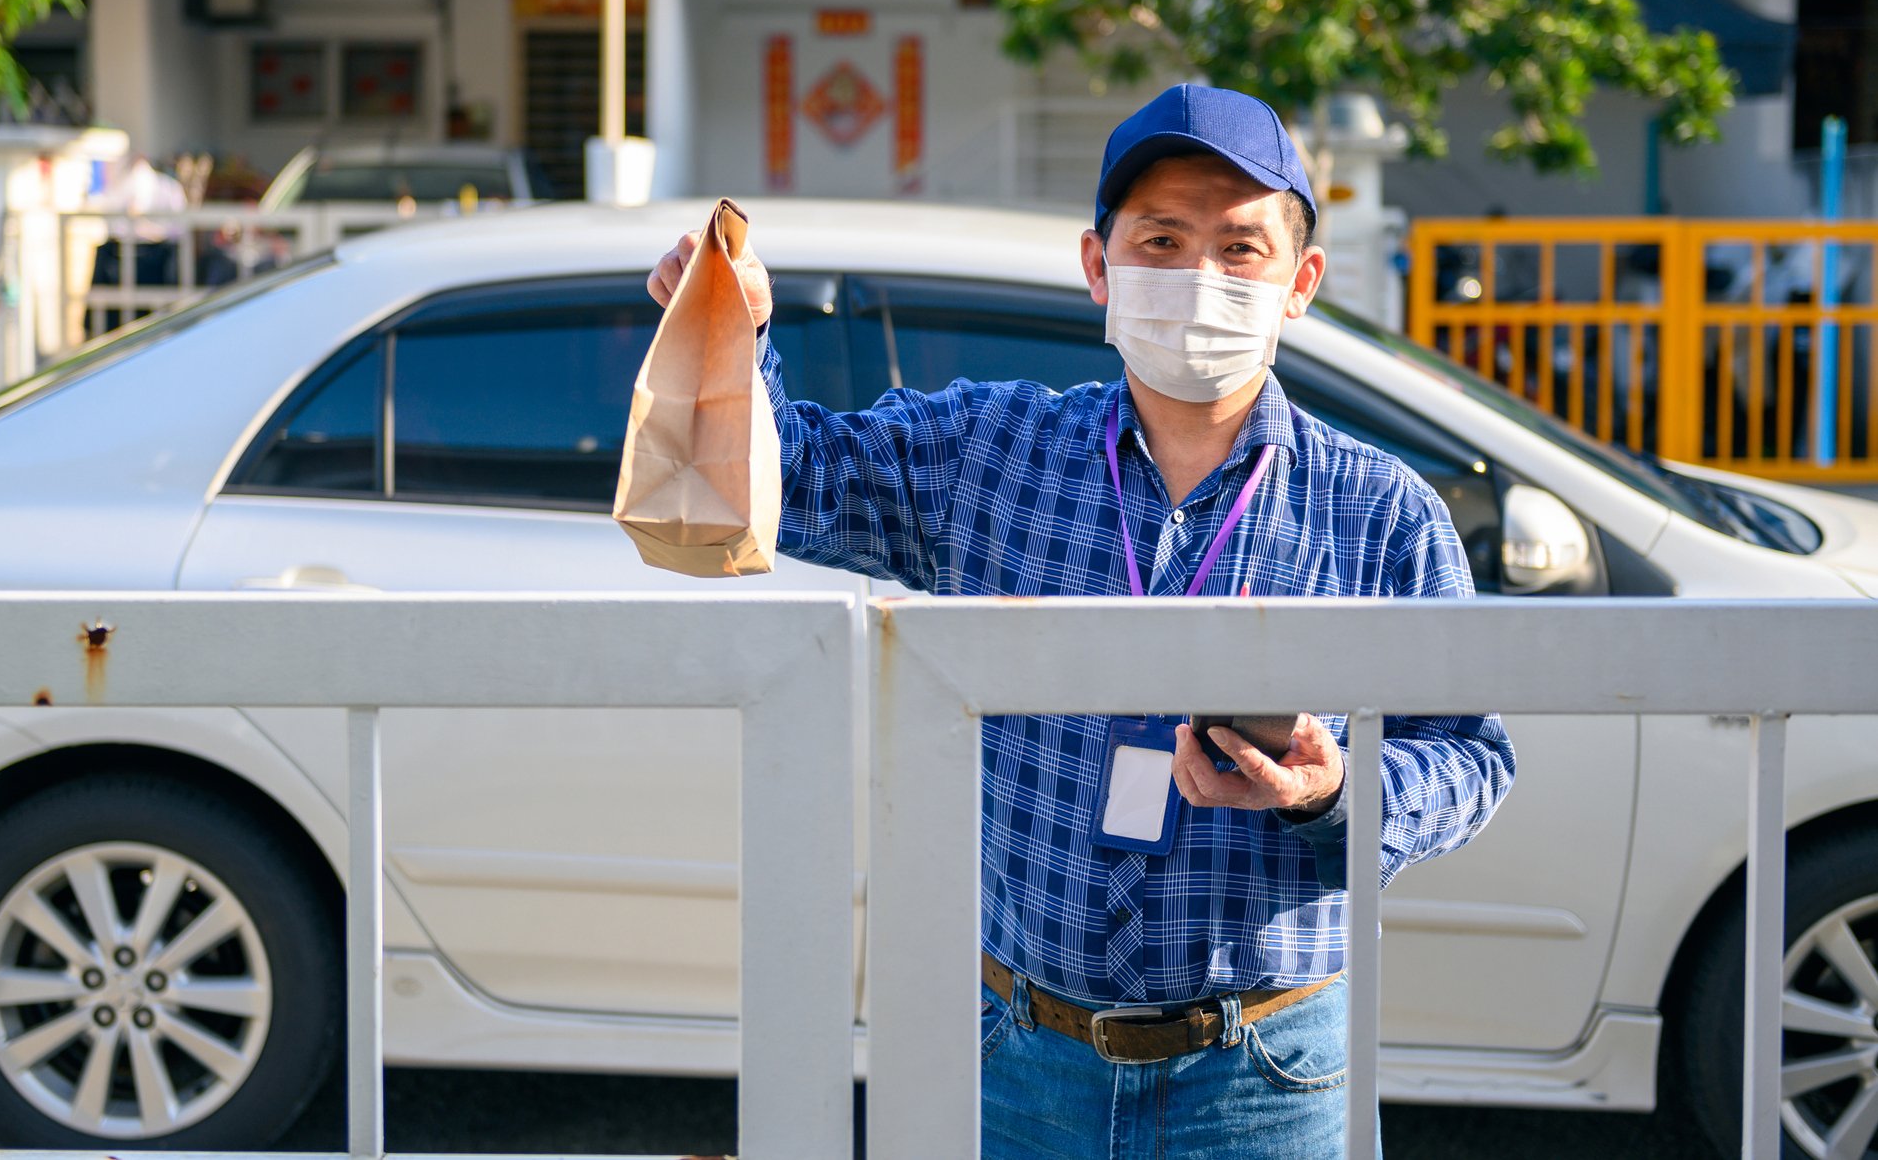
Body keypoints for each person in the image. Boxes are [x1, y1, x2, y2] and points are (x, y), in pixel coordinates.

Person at [647, 82, 1516, 1158]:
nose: (1199, 275)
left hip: (1272, 1070)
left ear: (1300, 283)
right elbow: (798, 476)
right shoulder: (988, 452)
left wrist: (1331, 788)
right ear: (1099, 266)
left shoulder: (1380, 509)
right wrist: (736, 328)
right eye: (1161, 237)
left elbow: (1471, 756)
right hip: (1022, 1057)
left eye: (1239, 247)